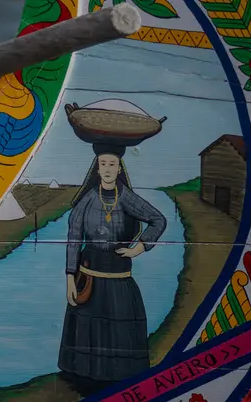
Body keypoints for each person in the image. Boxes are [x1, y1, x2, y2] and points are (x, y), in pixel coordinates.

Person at [58, 141, 167, 394]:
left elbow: (158, 220)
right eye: (103, 164)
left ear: (120, 168)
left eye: (112, 164)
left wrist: (139, 248)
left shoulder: (126, 197)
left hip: (119, 278)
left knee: (119, 327)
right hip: (89, 279)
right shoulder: (86, 201)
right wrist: (70, 278)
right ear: (97, 168)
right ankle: (85, 381)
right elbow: (74, 239)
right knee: (88, 328)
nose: (107, 169)